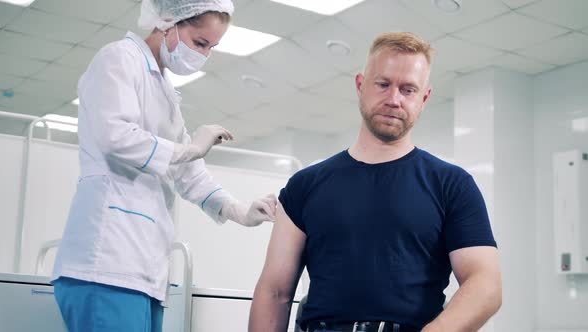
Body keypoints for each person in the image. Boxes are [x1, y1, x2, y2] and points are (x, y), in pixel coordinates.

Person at [249, 32, 502, 332]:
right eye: (383, 84)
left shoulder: (452, 185)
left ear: (424, 98)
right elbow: (274, 291)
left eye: (408, 89)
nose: (394, 99)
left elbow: (485, 285)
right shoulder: (304, 185)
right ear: (360, 85)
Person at [50, 1, 277, 331]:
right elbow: (115, 137)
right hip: (105, 262)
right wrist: (191, 148)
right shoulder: (118, 59)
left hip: (143, 271)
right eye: (200, 43)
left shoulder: (163, 89)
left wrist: (239, 211)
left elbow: (187, 173)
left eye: (212, 48)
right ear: (168, 21)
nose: (204, 56)